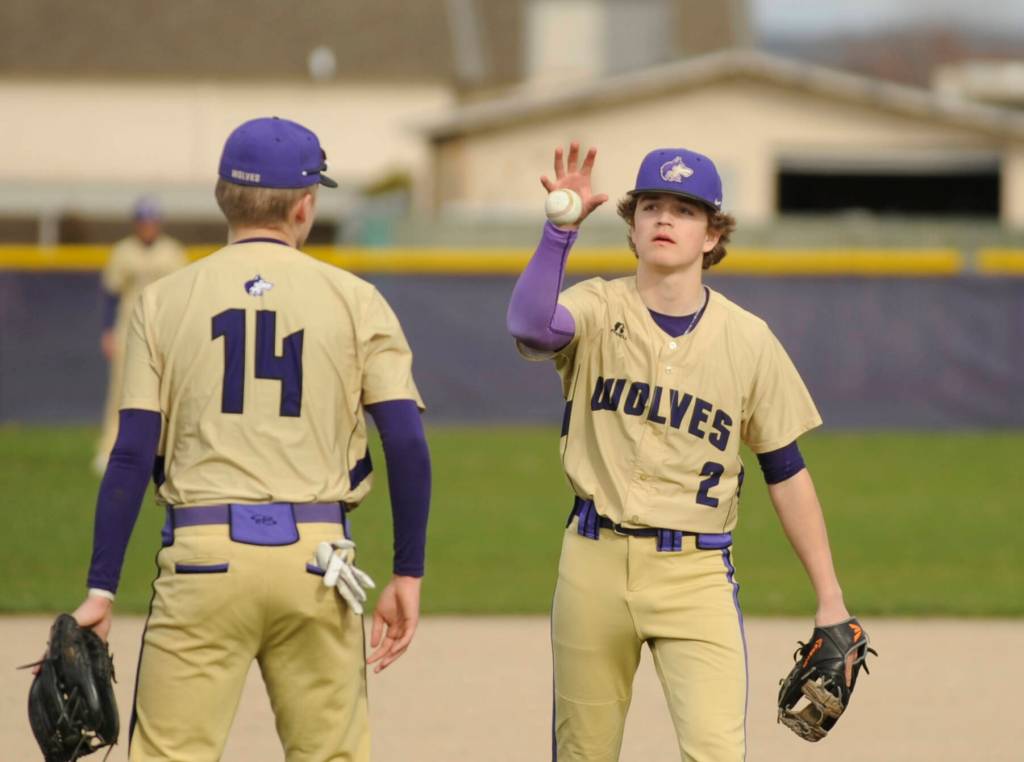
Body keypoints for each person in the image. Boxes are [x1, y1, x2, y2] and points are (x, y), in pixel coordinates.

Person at [70, 116, 431, 762]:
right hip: (320, 562)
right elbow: (404, 438)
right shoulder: (357, 299)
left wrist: (102, 587)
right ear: (306, 205)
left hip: (204, 558)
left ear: (222, 196)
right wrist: (409, 571)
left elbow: (130, 453)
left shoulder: (163, 300)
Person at [507, 143, 857, 761]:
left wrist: (830, 597)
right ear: (633, 226)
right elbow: (533, 326)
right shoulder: (595, 307)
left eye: (685, 210)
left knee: (716, 753)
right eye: (652, 207)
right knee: (582, 752)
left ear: (712, 234)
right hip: (593, 561)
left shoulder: (749, 341)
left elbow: (785, 469)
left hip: (697, 574)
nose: (665, 220)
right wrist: (560, 232)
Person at [95, 198, 187, 474]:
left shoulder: (172, 252)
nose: (147, 226)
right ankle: (108, 449)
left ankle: (166, 451)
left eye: (151, 221)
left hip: (164, 328)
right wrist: (107, 330)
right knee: (121, 393)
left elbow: (183, 295)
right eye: (143, 221)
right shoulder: (124, 251)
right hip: (129, 327)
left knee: (167, 392)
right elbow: (111, 294)